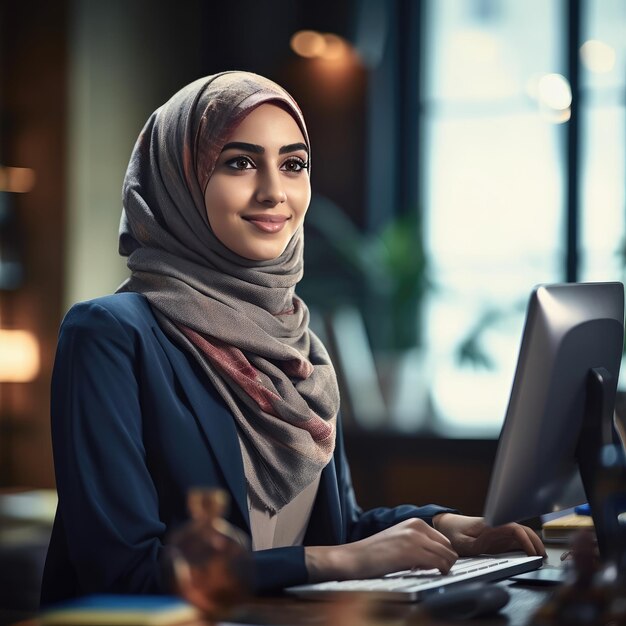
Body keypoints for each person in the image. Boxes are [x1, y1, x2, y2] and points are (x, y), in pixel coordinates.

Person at [41, 71, 545, 604]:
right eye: (239, 162)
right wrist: (342, 560)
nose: (274, 192)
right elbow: (122, 574)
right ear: (179, 179)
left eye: (293, 164)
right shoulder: (110, 335)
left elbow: (329, 530)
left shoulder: (299, 348)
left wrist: (443, 526)